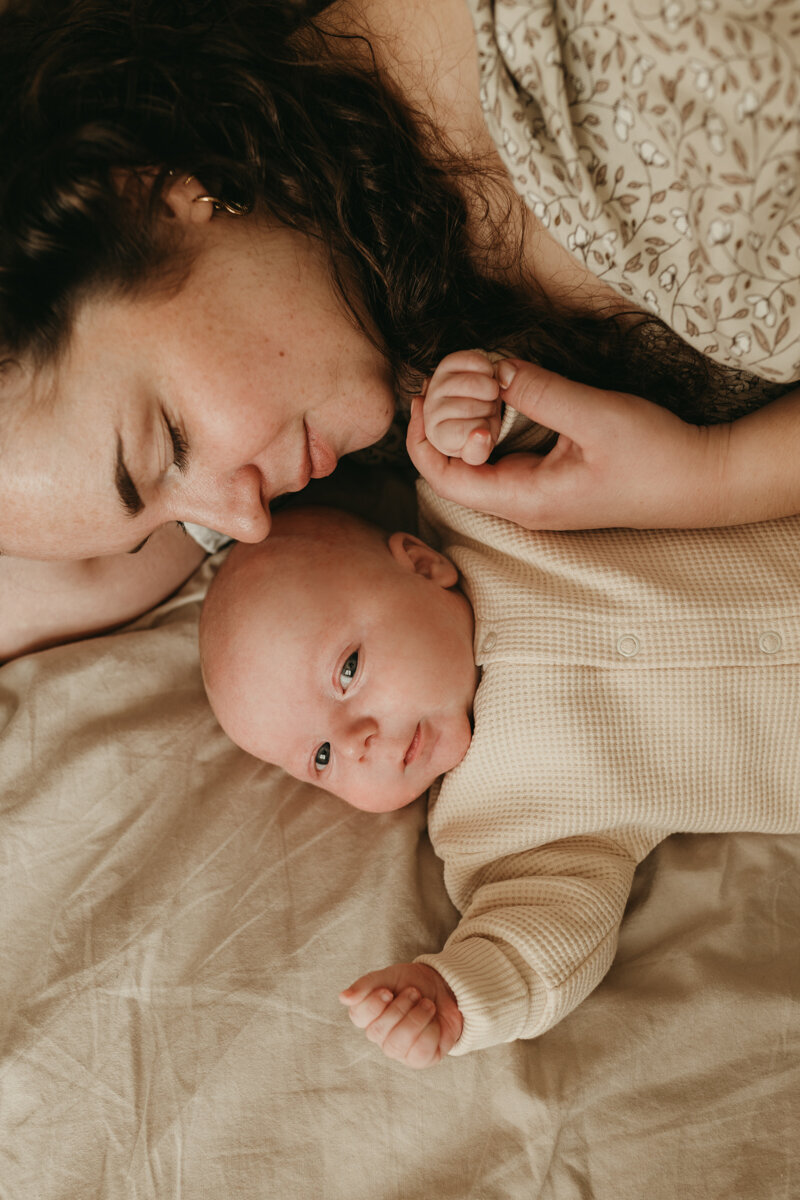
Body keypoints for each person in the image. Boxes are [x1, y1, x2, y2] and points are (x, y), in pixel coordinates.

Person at [1, 0, 799, 663]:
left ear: (155, 198)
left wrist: (720, 476)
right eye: (173, 526)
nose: (246, 526)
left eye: (171, 442)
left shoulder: (651, 62)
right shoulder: (358, 283)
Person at [198, 356, 800, 1068]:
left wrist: (476, 421)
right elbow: (550, 927)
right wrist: (454, 995)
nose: (356, 743)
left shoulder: (480, 514)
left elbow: (566, 439)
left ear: (423, 565)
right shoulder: (493, 827)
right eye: (321, 759)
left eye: (348, 672)